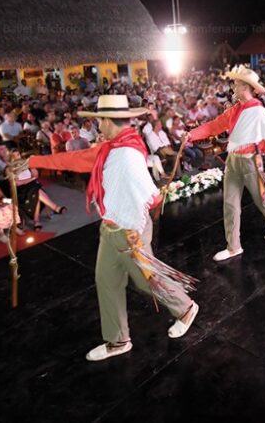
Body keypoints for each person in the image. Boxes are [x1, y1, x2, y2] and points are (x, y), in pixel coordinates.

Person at [27, 94, 200, 361]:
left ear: (108, 121)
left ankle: (185, 308)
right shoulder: (114, 147)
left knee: (146, 281)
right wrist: (33, 162)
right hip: (112, 229)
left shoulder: (124, 154)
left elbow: (151, 197)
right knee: (106, 281)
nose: (98, 126)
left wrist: (132, 227)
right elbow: (76, 159)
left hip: (128, 230)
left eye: (100, 121)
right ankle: (118, 340)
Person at [187, 66, 265, 262]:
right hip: (233, 160)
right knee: (230, 203)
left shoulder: (257, 111)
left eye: (236, 84)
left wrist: (259, 151)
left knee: (260, 198)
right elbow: (214, 126)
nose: (233, 86)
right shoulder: (235, 109)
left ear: (245, 87)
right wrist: (191, 135)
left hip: (250, 160)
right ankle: (234, 246)